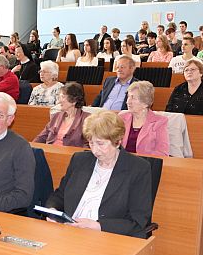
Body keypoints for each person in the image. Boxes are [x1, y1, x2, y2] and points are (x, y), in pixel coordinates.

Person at [44, 110, 152, 238]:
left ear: (117, 141)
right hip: (70, 232)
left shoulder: (138, 168)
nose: (95, 150)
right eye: (91, 143)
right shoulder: (79, 160)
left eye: (100, 144)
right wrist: (52, 211)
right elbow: (59, 196)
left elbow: (137, 220)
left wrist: (98, 226)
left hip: (107, 237)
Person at [120, 81, 169, 156]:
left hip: (145, 164)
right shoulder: (121, 118)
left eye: (133, 98)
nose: (128, 102)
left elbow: (163, 153)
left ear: (145, 103)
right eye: (128, 97)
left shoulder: (160, 122)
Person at [33, 82, 90, 147]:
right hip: (50, 151)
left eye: (63, 97)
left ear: (74, 101)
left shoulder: (86, 119)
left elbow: (88, 144)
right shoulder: (56, 116)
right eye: (59, 97)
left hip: (70, 155)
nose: (59, 101)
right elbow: (41, 137)